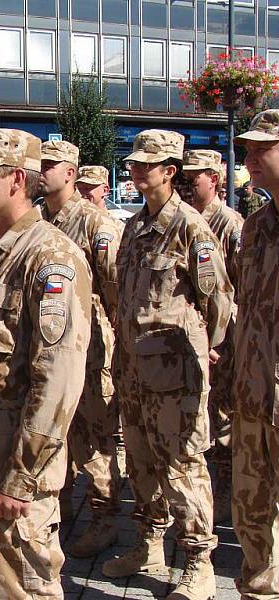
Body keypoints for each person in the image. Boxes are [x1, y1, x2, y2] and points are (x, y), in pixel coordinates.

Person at [0, 128, 92, 598]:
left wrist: (22, 478)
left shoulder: (50, 257)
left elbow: (59, 381)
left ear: (15, 180)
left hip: (12, 474)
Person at [103, 130, 233, 600]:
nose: (136, 169)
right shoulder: (136, 226)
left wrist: (207, 347)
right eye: (134, 163)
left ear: (170, 172)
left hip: (175, 373)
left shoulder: (191, 228)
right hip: (133, 370)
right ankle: (149, 543)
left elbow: (218, 298)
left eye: (146, 164)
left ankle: (198, 560)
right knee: (140, 461)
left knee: (182, 465)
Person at [38, 140, 123, 558]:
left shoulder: (96, 224)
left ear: (70, 173)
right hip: (49, 349)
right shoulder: (37, 219)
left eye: (50, 165)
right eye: (40, 163)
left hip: (90, 350)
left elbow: (114, 293)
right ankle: (61, 504)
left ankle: (105, 517)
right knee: (57, 431)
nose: (42, 171)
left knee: (95, 438)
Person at [231, 109, 279, 600]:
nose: (249, 157)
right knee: (251, 510)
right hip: (254, 393)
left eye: (262, 147)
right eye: (246, 148)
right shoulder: (257, 226)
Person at [183, 149, 243, 525]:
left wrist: (219, 341)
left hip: (220, 343)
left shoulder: (230, 224)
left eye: (196, 177)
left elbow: (234, 291)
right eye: (186, 178)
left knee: (221, 420)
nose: (189, 183)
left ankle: (224, 494)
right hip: (194, 342)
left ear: (215, 179)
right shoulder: (190, 220)